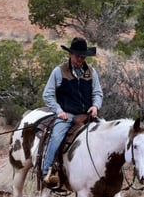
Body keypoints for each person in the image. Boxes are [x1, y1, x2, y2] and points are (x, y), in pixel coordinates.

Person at [41, 37, 103, 188]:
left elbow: (98, 93)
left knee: (104, 136)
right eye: (78, 56)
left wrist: (95, 106)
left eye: (83, 56)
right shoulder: (59, 71)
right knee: (56, 137)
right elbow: (47, 94)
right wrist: (59, 111)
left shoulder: (91, 73)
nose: (80, 59)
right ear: (70, 54)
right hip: (67, 115)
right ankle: (47, 172)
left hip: (87, 116)